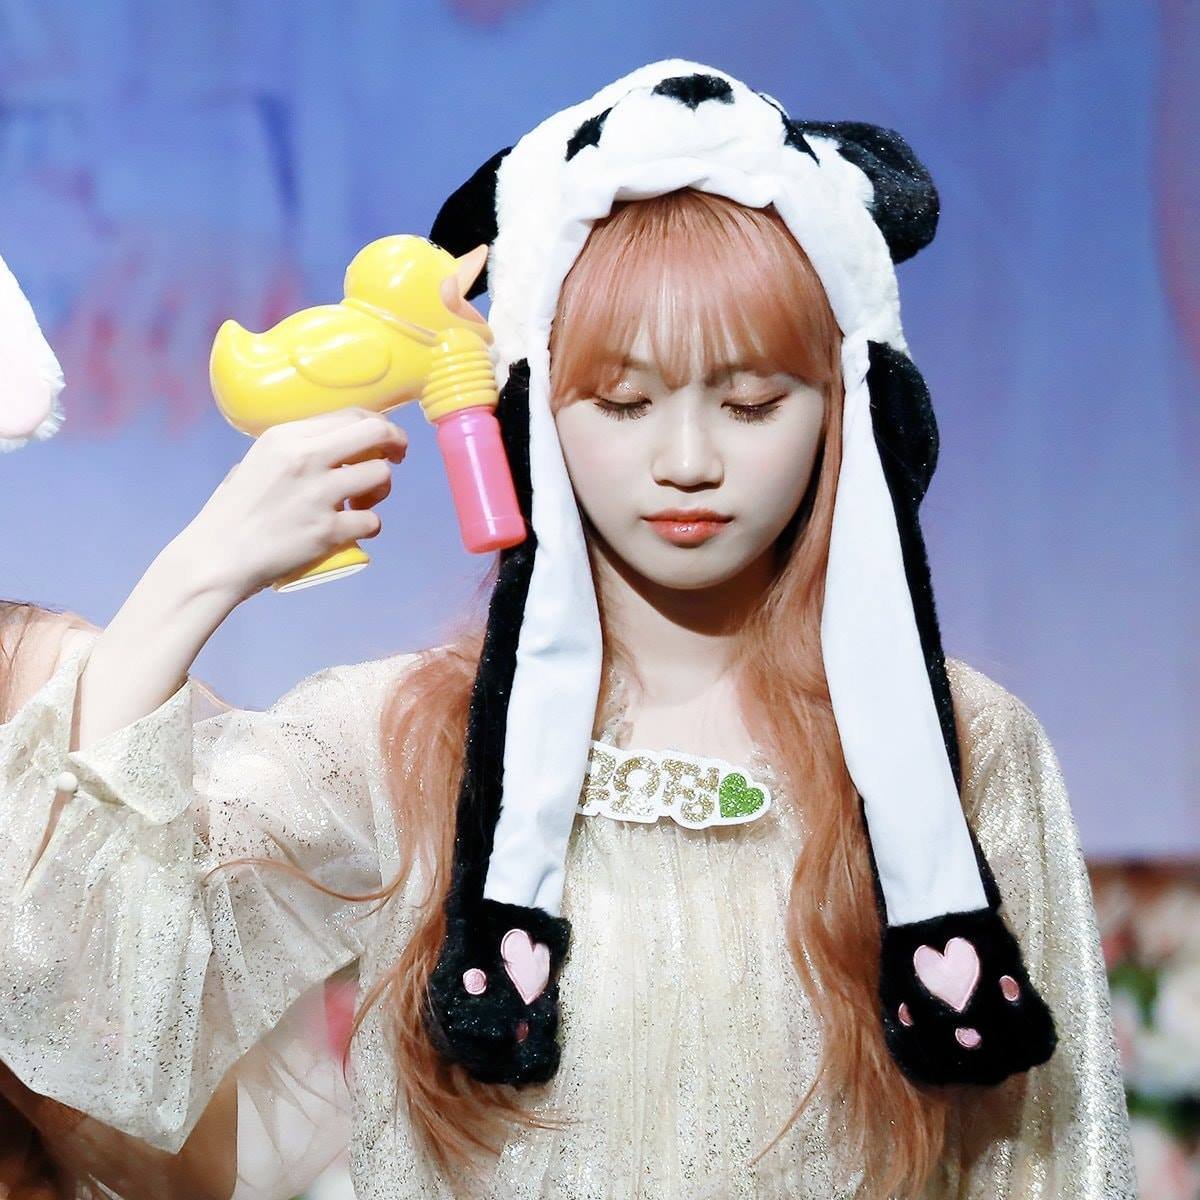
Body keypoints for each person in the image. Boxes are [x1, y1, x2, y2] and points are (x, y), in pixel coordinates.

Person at [0, 60, 1135, 1198]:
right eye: (624, 402)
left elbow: (1049, 1162)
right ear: (532, 406)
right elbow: (91, 1005)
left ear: (847, 402)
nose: (687, 460)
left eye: (750, 402)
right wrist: (199, 571)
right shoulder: (410, 741)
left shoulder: (958, 746)